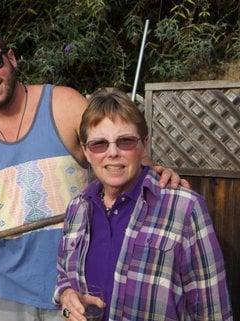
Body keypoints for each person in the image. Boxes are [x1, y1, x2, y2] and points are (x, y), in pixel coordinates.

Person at [0, 30, 188, 321]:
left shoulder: (62, 103)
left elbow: (114, 148)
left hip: (77, 286)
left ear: (11, 59)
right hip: (7, 292)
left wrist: (152, 171)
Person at [54, 88, 232, 321]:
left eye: (125, 141)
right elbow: (63, 276)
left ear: (144, 145)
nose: (113, 153)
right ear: (87, 151)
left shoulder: (184, 209)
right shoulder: (77, 209)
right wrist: (66, 297)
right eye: (100, 144)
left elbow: (213, 310)